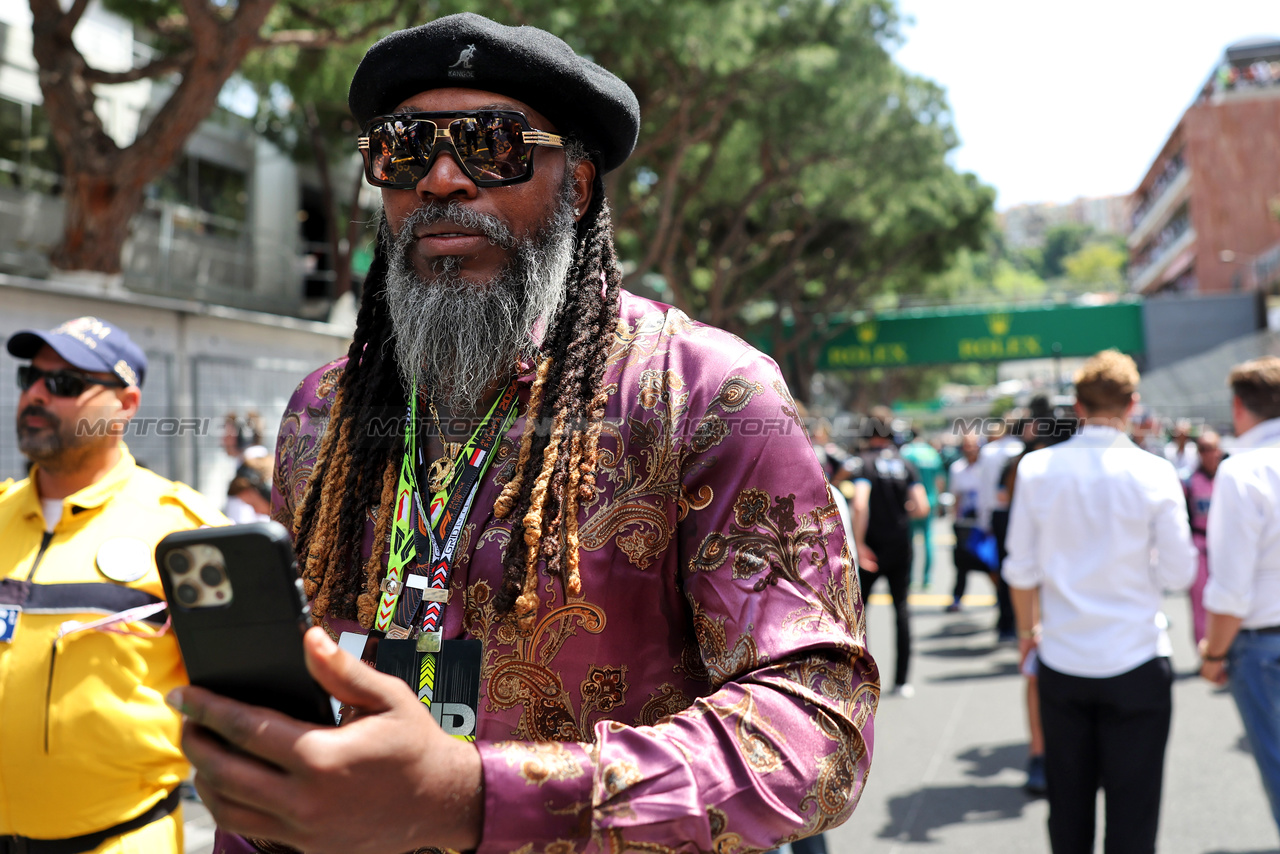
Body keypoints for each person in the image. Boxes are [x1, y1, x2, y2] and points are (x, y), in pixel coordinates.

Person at [176, 15, 878, 854]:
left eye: (492, 144)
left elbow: (817, 726)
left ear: (576, 186)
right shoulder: (321, 413)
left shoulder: (710, 393)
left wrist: (472, 797)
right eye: (403, 149)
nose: (441, 178)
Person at [0, 317, 225, 851]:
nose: (35, 394)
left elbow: (247, 698)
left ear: (125, 404)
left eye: (64, 384)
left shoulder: (185, 531)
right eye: (30, 377)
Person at [1004, 349, 1196, 854]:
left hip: (1063, 660)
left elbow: (1020, 569)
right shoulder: (1155, 473)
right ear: (1133, 404)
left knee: (1068, 814)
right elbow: (1181, 571)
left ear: (1078, 406)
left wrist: (1028, 635)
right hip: (1136, 657)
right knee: (1134, 819)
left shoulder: (1037, 469)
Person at [1201, 356, 1280, 834]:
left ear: (1238, 406)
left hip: (1263, 644)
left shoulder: (1242, 471)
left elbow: (1230, 587)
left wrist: (1214, 653)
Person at [839, 406, 929, 698]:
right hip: (901, 545)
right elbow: (922, 507)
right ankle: (903, 681)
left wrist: (860, 542)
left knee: (860, 614)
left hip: (872, 549)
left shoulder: (862, 463)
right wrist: (902, 511)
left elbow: (860, 504)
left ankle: (863, 679)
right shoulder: (905, 464)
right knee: (901, 609)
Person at [978, 417, 1022, 642]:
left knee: (1003, 567)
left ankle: (1005, 621)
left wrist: (984, 521)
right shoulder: (1022, 449)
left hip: (1000, 515)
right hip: (1019, 514)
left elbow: (985, 491)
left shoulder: (989, 452)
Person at [1184, 430, 1223, 646]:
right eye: (1204, 449)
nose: (1210, 454)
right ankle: (1203, 649)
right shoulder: (1190, 482)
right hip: (1199, 547)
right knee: (1200, 602)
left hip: (1226, 548)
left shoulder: (1231, 480)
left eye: (1213, 448)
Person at [946, 431, 987, 612]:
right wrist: (955, 520)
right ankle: (957, 597)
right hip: (964, 524)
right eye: (967, 444)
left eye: (974, 444)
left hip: (984, 521)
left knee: (989, 560)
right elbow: (956, 496)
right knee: (962, 562)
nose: (970, 448)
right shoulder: (957, 468)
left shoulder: (987, 467)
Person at [899, 425, 942, 589]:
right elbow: (940, 479)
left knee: (908, 542)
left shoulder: (906, 452)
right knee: (928, 539)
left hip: (910, 502)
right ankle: (926, 577)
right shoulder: (931, 452)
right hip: (930, 501)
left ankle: (908, 576)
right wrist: (937, 500)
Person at [222, 412, 270, 524]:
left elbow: (241, 519)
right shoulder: (245, 464)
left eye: (229, 435)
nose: (223, 440)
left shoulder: (252, 469)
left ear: (244, 436)